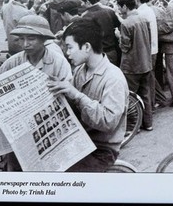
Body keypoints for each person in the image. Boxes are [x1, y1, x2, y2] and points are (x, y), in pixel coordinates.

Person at [48, 18, 129, 172]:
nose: (67, 53)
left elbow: (108, 121)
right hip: (81, 139)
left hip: (102, 149)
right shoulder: (80, 70)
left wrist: (76, 95)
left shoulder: (113, 77)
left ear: (86, 47)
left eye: (70, 47)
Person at [0, 15, 73, 171]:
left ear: (43, 39)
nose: (25, 44)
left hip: (48, 129)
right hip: (19, 132)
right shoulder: (12, 63)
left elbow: (68, 94)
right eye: (21, 39)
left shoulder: (58, 63)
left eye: (31, 39)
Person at [115, 0, 153, 130]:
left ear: (125, 6)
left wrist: (118, 36)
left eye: (120, 7)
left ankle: (132, 126)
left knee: (130, 97)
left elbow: (125, 47)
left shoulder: (126, 24)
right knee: (145, 94)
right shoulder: (143, 18)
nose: (119, 9)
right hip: (145, 63)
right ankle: (148, 123)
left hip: (131, 66)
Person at [80, 0, 122, 67]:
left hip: (98, 54)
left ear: (88, 2)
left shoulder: (86, 16)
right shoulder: (110, 11)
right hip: (112, 52)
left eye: (82, 2)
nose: (81, 4)